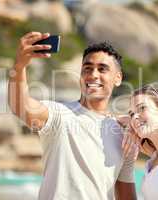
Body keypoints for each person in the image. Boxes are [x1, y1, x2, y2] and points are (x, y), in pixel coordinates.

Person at [8, 32, 137, 200]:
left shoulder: (124, 135)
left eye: (102, 69)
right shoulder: (59, 114)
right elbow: (20, 105)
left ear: (118, 78)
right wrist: (19, 66)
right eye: (87, 68)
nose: (93, 75)